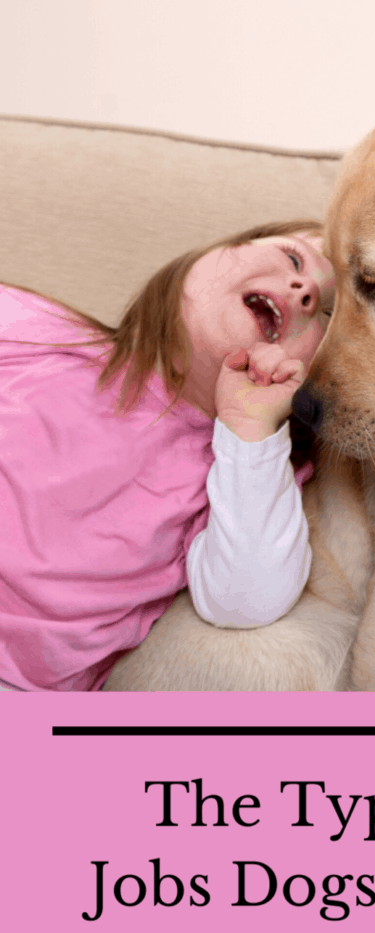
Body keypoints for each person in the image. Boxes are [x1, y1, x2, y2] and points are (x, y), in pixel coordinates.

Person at [0, 220, 335, 691]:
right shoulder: (31, 330)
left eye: (329, 314)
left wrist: (250, 430)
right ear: (213, 252)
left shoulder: (239, 467)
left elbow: (244, 602)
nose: (304, 291)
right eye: (294, 258)